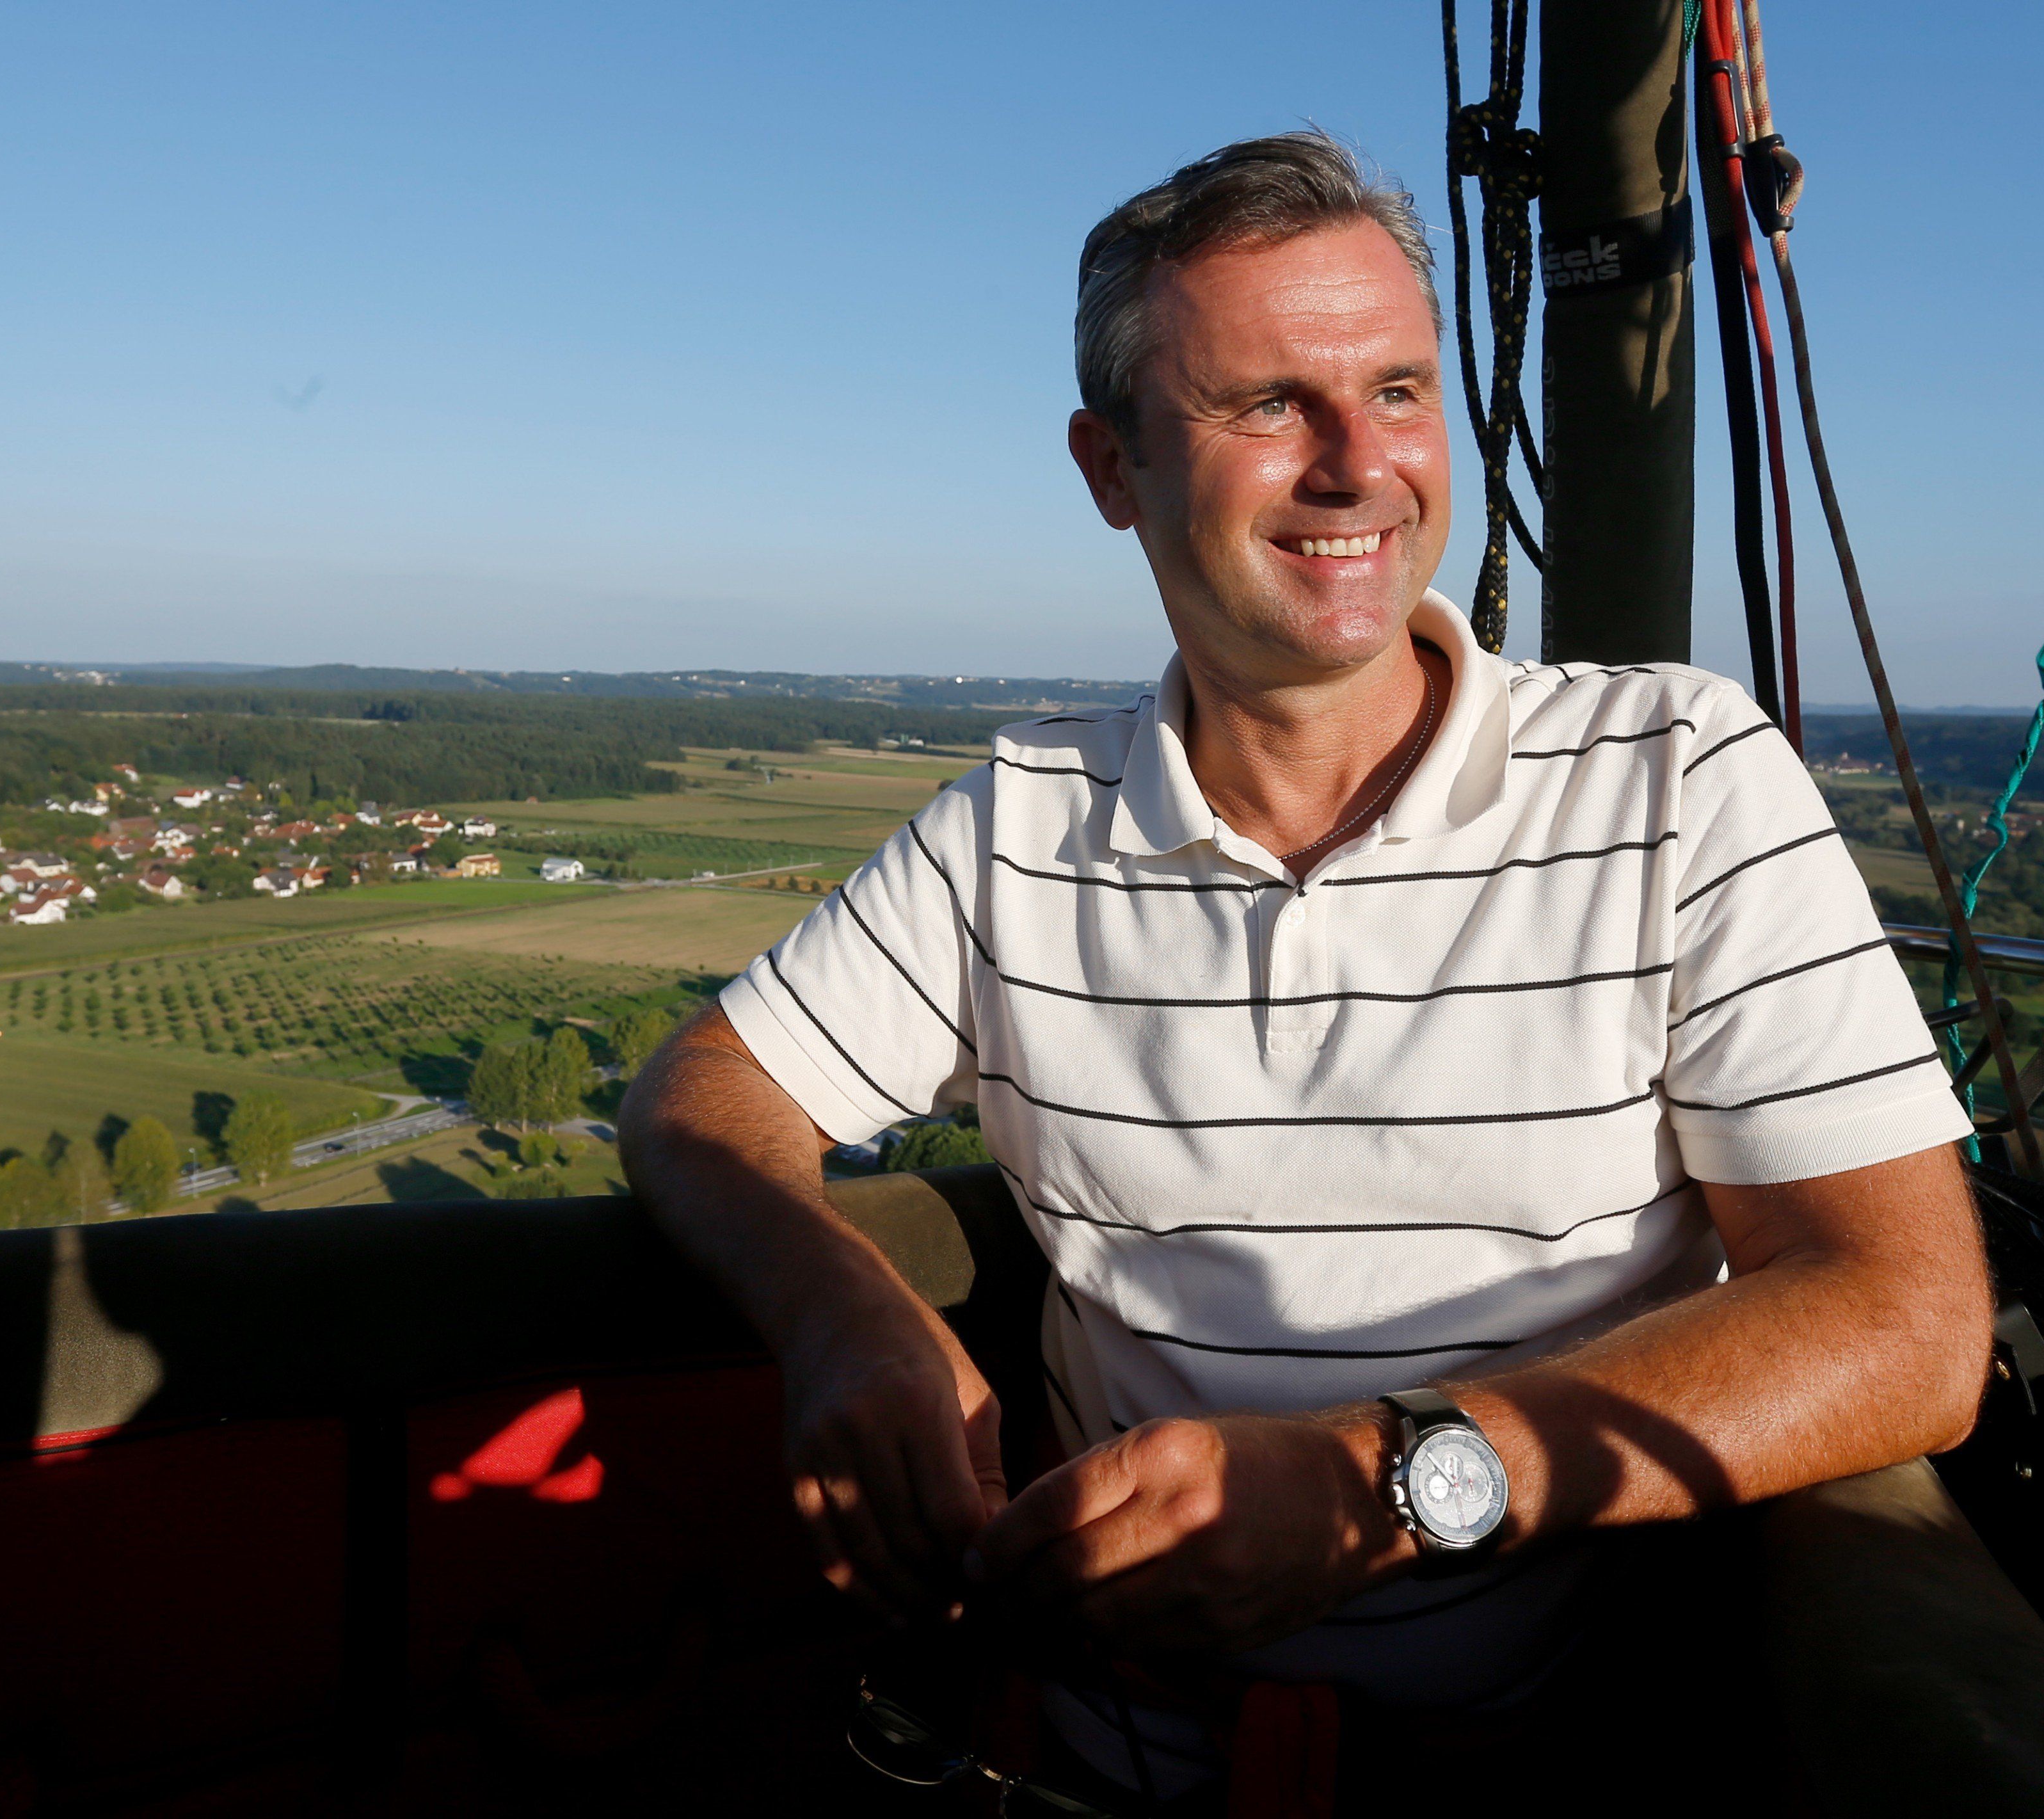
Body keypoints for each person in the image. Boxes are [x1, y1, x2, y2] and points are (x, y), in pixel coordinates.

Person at [619, 131, 1988, 1790]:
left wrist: (1377, 1483)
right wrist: (842, 1308)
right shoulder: (1025, 823)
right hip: (1101, 1763)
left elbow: (1910, 1320)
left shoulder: (1680, 780)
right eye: (1270, 403)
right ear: (1110, 466)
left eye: (1400, 391)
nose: (1358, 462)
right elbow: (707, 1097)